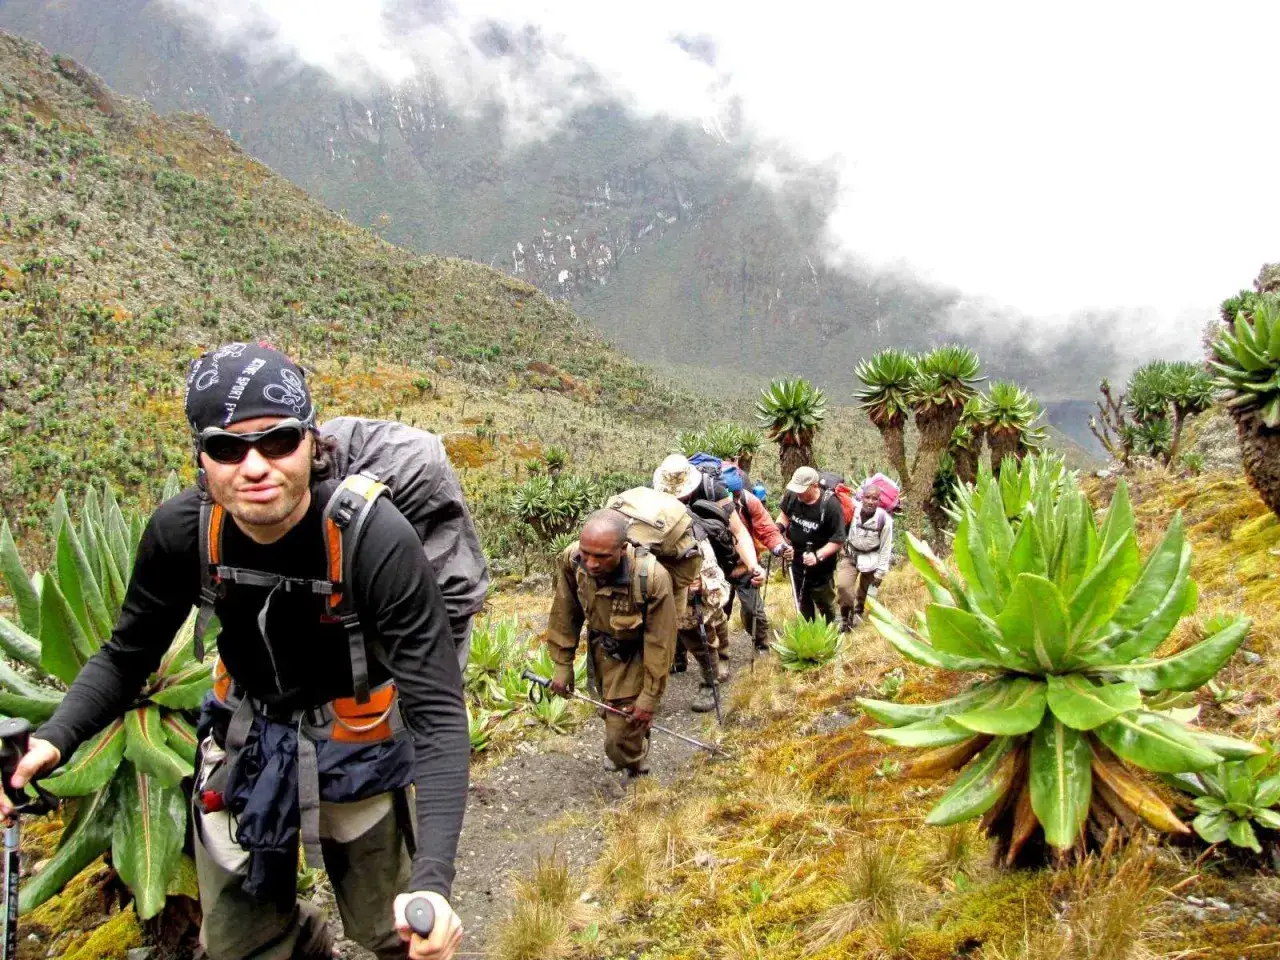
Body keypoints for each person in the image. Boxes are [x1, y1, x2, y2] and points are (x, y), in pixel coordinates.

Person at [2, 343, 468, 960]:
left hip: (359, 740)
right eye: (227, 447)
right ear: (202, 458)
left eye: (277, 441)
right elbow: (127, 654)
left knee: (400, 933)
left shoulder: (374, 539)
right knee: (240, 946)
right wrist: (54, 737)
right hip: (245, 740)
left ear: (311, 442)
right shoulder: (184, 532)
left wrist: (433, 885)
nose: (255, 466)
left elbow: (436, 712)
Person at [545, 509, 677, 775]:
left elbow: (660, 643)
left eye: (602, 556)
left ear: (623, 548)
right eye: (587, 553)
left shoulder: (652, 578)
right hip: (600, 650)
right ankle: (632, 741)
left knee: (618, 736)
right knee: (609, 712)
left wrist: (649, 697)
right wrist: (563, 664)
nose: (591, 563)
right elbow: (565, 611)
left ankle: (634, 762)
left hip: (636, 655)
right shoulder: (573, 560)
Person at [654, 455, 758, 711]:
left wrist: (752, 565)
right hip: (676, 559)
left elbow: (738, 531)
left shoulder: (715, 490)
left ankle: (712, 676)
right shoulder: (656, 499)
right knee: (698, 618)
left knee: (705, 616)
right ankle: (699, 661)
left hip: (707, 554)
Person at [722, 465, 787, 655]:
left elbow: (766, 528)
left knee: (753, 611)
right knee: (718, 612)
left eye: (736, 494)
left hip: (745, 566)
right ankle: (715, 650)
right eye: (729, 494)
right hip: (719, 569)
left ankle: (761, 645)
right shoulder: (708, 504)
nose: (733, 499)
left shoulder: (750, 502)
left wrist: (779, 545)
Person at [775, 466, 846, 623]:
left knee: (824, 602)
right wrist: (778, 527)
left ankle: (830, 629)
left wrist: (817, 556)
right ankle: (808, 630)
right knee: (802, 599)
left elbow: (838, 539)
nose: (798, 493)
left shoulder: (831, 506)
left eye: (802, 490)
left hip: (822, 566)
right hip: (796, 560)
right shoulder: (792, 495)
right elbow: (785, 515)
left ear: (814, 486)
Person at [836, 484, 894, 629]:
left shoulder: (885, 520)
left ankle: (858, 613)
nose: (870, 501)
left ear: (879, 501)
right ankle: (845, 616)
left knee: (864, 591)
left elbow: (886, 547)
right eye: (867, 497)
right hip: (851, 555)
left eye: (874, 498)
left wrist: (881, 572)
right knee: (843, 586)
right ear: (862, 497)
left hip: (872, 558)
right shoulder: (853, 511)